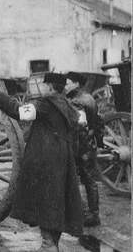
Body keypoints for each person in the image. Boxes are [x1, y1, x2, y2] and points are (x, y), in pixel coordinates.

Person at [0, 72, 84, 251]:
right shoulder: (67, 104)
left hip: (46, 157)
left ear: (49, 87)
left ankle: (48, 245)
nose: (42, 87)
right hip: (64, 157)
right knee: (58, 199)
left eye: (44, 84)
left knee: (45, 199)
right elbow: (79, 122)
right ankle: (53, 244)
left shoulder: (46, 104)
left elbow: (19, 112)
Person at [66, 71, 101, 226]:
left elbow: (77, 126)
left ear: (76, 84)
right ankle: (92, 213)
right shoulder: (90, 98)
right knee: (89, 180)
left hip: (80, 145)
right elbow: (98, 123)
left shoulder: (77, 101)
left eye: (67, 83)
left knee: (82, 179)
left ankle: (89, 215)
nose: (65, 86)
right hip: (88, 144)